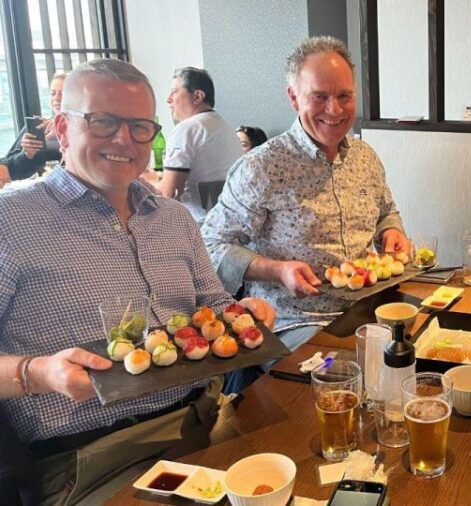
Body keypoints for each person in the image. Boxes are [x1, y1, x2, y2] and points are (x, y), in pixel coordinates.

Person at [0, 58, 272, 505]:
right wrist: (38, 373)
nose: (123, 140)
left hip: (202, 419)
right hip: (91, 455)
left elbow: (214, 301)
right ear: (64, 129)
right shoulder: (12, 221)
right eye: (103, 122)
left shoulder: (173, 218)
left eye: (139, 126)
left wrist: (243, 314)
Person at [202, 36, 410, 354]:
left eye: (344, 96)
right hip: (298, 322)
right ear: (294, 97)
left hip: (371, 310)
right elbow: (211, 246)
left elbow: (386, 211)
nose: (335, 109)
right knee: (348, 375)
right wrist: (277, 269)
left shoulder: (365, 157)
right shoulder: (261, 167)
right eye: (319, 96)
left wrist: (391, 229)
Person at [154, 67, 243, 223]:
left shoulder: (187, 129)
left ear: (197, 97)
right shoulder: (225, 127)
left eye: (175, 92)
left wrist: (146, 180)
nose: (168, 99)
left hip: (198, 227)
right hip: (228, 221)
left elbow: (168, 194)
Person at [4, 73, 66, 181]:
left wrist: (64, 133)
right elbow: (11, 171)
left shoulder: (82, 130)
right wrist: (27, 154)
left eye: (62, 94)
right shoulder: (38, 126)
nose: (56, 98)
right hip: (32, 186)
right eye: (53, 93)